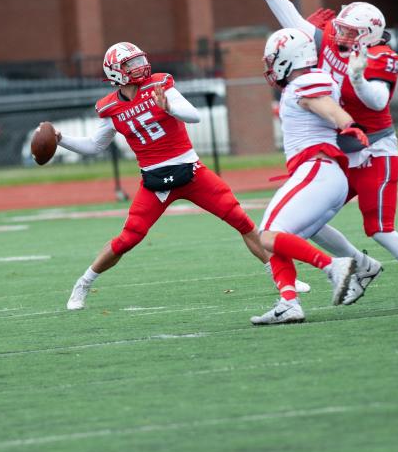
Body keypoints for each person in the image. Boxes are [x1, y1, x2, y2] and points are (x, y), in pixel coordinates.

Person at [254, 0, 398, 310]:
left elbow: (378, 101)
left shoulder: (381, 56)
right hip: (342, 150)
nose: (338, 34)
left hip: (374, 148)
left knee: (379, 227)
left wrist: (359, 78)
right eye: (340, 28)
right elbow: (292, 19)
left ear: (368, 35)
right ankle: (360, 266)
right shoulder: (332, 39)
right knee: (311, 219)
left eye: (348, 31)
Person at [54, 41, 308, 311]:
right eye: (131, 64)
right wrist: (60, 139)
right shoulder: (110, 108)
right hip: (154, 181)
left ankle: (282, 279)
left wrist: (169, 108)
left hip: (191, 171)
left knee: (242, 221)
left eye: (140, 60)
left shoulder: (159, 85)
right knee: (128, 238)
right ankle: (83, 283)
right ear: (116, 71)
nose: (140, 67)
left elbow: (193, 116)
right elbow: (94, 146)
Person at [251, 28, 365, 325]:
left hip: (317, 169)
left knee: (268, 235)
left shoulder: (303, 82)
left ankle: (333, 266)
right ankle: (289, 303)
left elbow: (321, 104)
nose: (271, 65)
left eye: (274, 59)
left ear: (288, 58)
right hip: (323, 174)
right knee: (276, 237)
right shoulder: (309, 80)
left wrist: (347, 123)